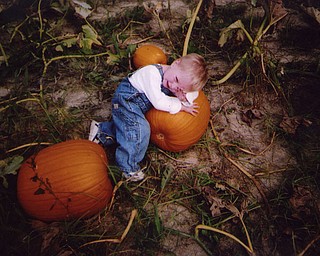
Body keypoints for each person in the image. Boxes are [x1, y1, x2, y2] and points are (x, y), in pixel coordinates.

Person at [88, 53, 208, 181]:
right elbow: (158, 102)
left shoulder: (172, 76)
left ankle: (101, 132)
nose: (173, 86)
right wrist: (180, 105)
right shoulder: (151, 73)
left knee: (128, 128)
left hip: (136, 105)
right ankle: (127, 168)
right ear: (175, 63)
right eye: (176, 80)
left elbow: (192, 94)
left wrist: (183, 95)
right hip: (126, 101)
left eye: (179, 88)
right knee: (140, 129)